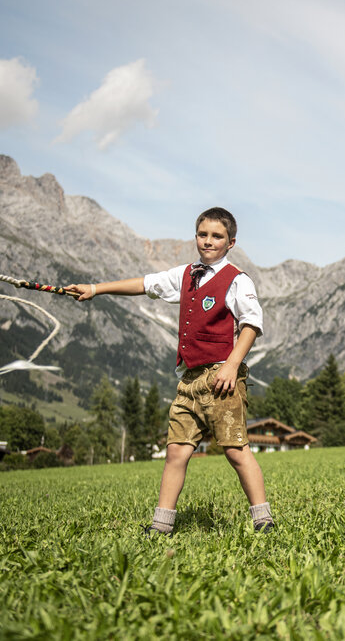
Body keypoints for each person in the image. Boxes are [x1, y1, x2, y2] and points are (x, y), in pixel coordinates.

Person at [65, 207, 274, 535]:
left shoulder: (237, 280)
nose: (208, 241)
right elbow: (144, 284)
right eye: (202, 234)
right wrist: (96, 288)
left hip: (221, 377)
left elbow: (252, 323)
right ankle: (161, 526)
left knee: (235, 450)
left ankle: (264, 520)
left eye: (217, 236)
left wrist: (233, 366)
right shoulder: (186, 274)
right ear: (195, 236)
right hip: (188, 379)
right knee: (176, 452)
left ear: (231, 242)